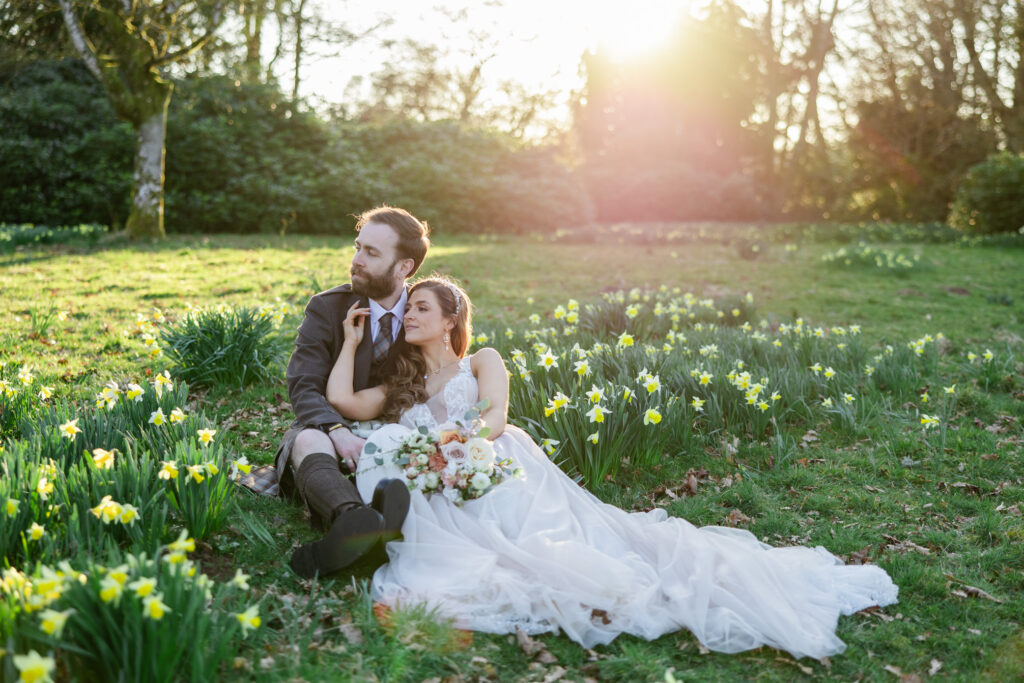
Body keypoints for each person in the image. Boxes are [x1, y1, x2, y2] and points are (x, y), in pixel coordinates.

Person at [324, 276, 900, 660]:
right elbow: (347, 405)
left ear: (452, 319)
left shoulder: (482, 359)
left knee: (542, 542)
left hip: (488, 457)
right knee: (389, 442)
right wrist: (350, 343)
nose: (411, 317)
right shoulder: (404, 379)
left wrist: (456, 445)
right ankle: (389, 527)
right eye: (409, 310)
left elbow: (495, 417)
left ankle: (397, 530)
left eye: (423, 308)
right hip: (439, 469)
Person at [275, 206, 430, 578]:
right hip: (333, 429)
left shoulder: (426, 310)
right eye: (358, 247)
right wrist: (337, 431)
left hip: (398, 431)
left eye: (372, 253)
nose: (356, 260)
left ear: (404, 267)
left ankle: (379, 518)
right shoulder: (327, 308)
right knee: (307, 441)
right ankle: (352, 520)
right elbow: (303, 384)